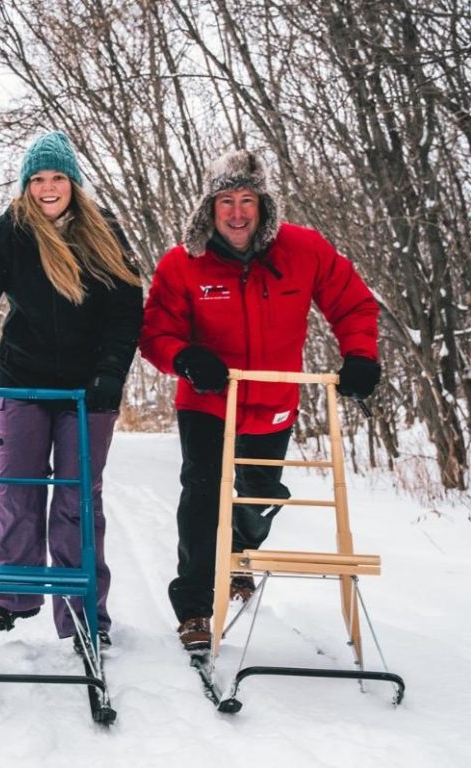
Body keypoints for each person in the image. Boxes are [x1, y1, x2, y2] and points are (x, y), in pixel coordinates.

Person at [139, 149, 381, 651]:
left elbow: (352, 301)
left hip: (274, 399)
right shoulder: (184, 262)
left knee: (260, 496)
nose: (237, 213)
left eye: (247, 200)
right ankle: (194, 607)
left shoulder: (303, 249)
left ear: (263, 204)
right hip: (208, 401)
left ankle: (239, 552)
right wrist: (185, 357)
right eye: (225, 201)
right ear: (209, 207)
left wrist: (359, 356)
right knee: (203, 495)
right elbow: (156, 332)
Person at [0, 132, 143, 649]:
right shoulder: (10, 232)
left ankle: (82, 612)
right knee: (15, 487)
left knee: (78, 498)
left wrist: (111, 374)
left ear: (72, 181)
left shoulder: (104, 231)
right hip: (23, 379)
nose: (47, 188)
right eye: (37, 179)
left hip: (87, 388)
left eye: (56, 178)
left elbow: (126, 311)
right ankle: (13, 595)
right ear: (26, 185)